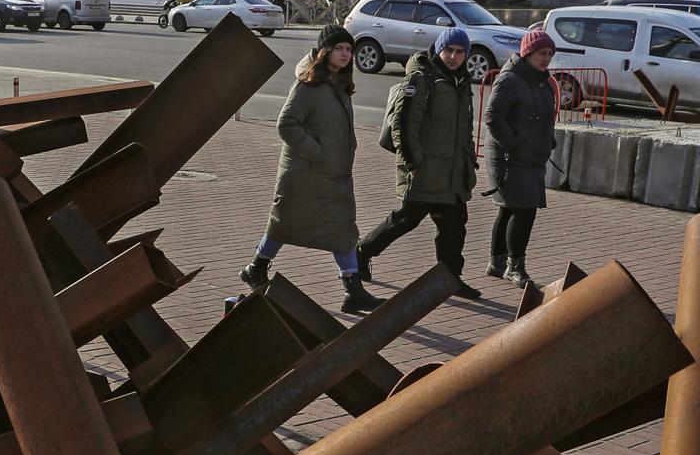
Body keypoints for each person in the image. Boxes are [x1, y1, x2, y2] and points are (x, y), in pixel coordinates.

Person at [239, 26, 379, 314]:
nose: (345, 54)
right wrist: (319, 153)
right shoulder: (308, 85)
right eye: (339, 48)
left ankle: (352, 289)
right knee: (283, 226)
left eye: (348, 49)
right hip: (304, 174)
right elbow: (286, 124)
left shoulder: (339, 84)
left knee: (342, 229)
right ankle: (256, 267)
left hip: (332, 175)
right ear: (325, 51)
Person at [356, 27, 482, 300]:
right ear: (438, 49)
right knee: (406, 219)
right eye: (448, 50)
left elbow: (464, 130)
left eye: (459, 52)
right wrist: (411, 161)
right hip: (424, 169)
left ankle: (449, 279)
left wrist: (468, 160)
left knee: (454, 224)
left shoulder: (461, 82)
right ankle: (362, 251)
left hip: (451, 172)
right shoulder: (422, 79)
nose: (453, 56)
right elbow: (404, 124)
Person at [481, 29, 559, 288]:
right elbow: (492, 116)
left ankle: (497, 262)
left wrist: (548, 139)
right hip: (510, 156)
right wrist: (512, 143)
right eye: (541, 53)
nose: (546, 58)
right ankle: (515, 266)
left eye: (549, 54)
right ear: (527, 53)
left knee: (510, 208)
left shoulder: (543, 81)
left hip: (532, 155)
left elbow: (545, 116)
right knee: (525, 210)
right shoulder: (510, 79)